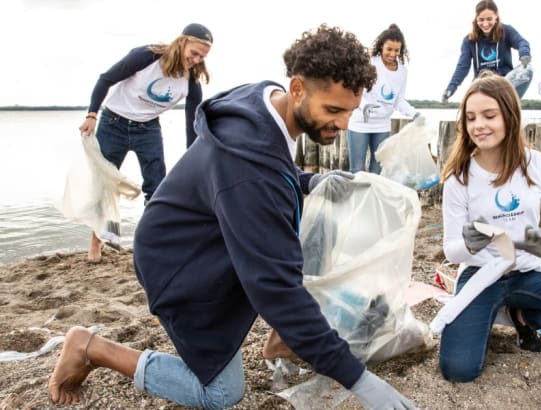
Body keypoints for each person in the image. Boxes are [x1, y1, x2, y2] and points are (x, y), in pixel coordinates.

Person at [48, 24, 415, 410]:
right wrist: (361, 382)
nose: (343, 125)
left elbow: (268, 173)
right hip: (179, 265)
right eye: (334, 110)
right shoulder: (248, 171)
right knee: (221, 394)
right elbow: (277, 287)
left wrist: (310, 182)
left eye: (350, 112)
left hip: (204, 233)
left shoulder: (266, 102)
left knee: (325, 217)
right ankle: (91, 348)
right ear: (297, 89)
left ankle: (284, 338)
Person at [437, 71, 541, 382]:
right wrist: (473, 242)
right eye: (471, 118)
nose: (478, 125)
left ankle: (520, 315)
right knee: (458, 370)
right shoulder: (459, 178)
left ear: (510, 116)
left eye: (489, 115)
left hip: (527, 269)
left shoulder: (539, 165)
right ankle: (484, 314)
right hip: (481, 273)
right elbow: (452, 250)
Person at [78, 23, 213, 262]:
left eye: (202, 57)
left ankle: (155, 239)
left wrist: (194, 156)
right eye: (194, 53)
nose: (196, 60)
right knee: (105, 185)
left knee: (158, 187)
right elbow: (105, 79)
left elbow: (192, 122)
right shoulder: (146, 56)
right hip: (113, 123)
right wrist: (91, 115)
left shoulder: (191, 82)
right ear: (182, 42)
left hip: (147, 129)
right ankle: (96, 242)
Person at [347, 23, 419, 174]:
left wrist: (414, 114)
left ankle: (373, 198)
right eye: (389, 49)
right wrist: (364, 105)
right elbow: (356, 90)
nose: (393, 53)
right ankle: (357, 198)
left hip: (382, 126)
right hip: (360, 123)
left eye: (396, 50)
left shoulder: (402, 72)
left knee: (377, 169)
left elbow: (398, 100)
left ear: (401, 50)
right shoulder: (370, 63)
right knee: (357, 170)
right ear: (381, 47)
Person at [441, 0, 532, 103]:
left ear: (496, 16)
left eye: (489, 19)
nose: (485, 24)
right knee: (475, 93)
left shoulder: (506, 31)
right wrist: (450, 88)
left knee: (528, 69)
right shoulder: (469, 40)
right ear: (476, 19)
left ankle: (506, 103)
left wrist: (524, 54)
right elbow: (462, 67)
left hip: (503, 82)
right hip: (481, 84)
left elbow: (521, 41)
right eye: (481, 19)